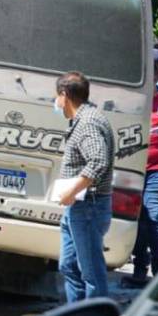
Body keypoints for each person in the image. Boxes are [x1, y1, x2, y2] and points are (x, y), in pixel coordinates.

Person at [54, 71, 115, 302]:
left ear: (64, 95)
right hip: (78, 207)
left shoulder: (88, 123)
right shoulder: (82, 119)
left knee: (91, 273)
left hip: (88, 206)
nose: (57, 103)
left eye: (57, 97)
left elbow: (98, 161)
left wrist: (72, 190)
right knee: (68, 265)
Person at [124, 50, 158, 286]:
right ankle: (139, 268)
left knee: (155, 214)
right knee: (138, 217)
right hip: (132, 168)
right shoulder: (131, 101)